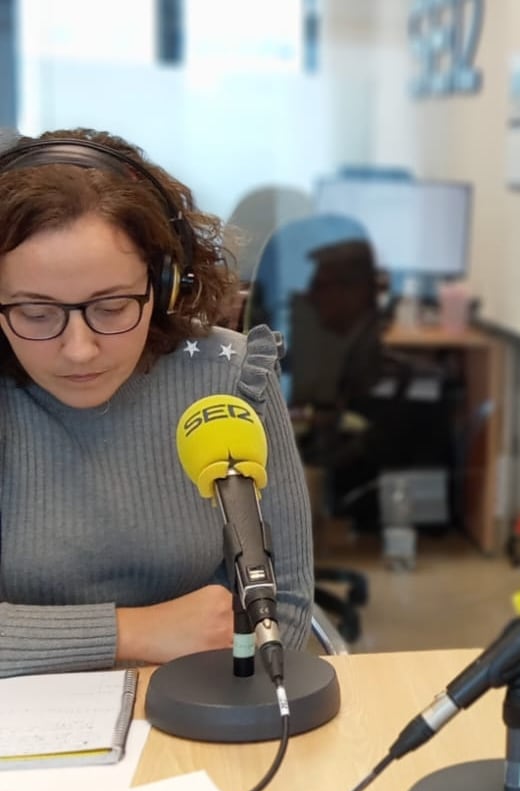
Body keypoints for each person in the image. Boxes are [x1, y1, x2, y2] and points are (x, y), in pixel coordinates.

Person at [0, 128, 314, 678]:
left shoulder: (230, 377)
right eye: (36, 313)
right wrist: (135, 632)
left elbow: (282, 608)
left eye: (112, 307)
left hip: (197, 700)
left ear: (166, 285)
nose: (79, 350)